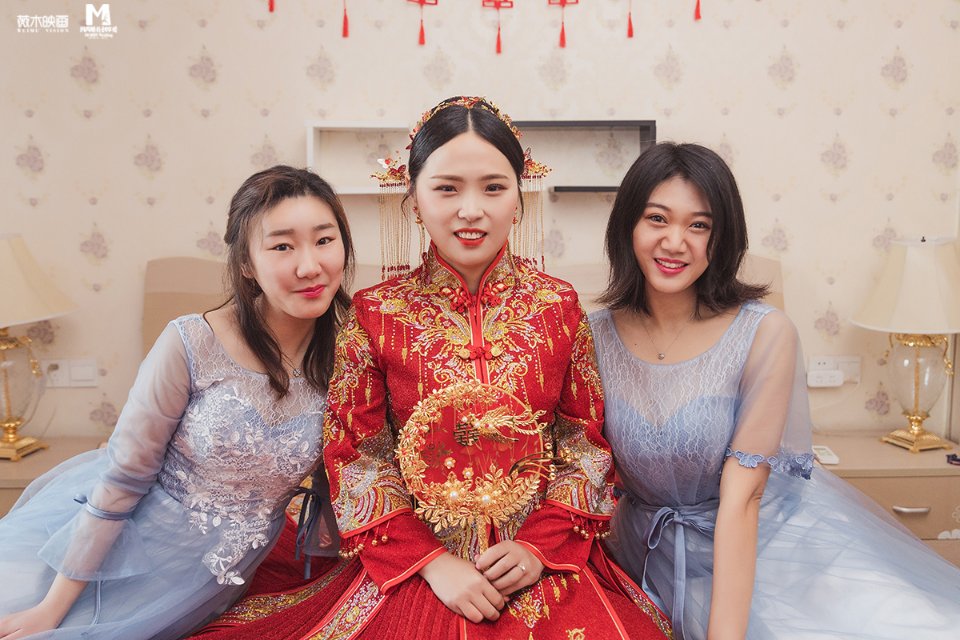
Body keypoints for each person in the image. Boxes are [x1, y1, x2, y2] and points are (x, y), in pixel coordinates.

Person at [191, 96, 671, 640]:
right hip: (417, 566)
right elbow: (357, 458)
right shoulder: (375, 315)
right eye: (447, 188)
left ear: (519, 197)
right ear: (414, 198)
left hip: (541, 561)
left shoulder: (558, 308)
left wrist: (538, 548)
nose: (471, 210)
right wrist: (432, 563)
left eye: (494, 187)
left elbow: (585, 445)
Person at [590, 142, 960, 640]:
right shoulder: (590, 337)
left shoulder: (764, 333)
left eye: (699, 225)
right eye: (657, 219)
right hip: (641, 554)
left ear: (722, 238)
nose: (675, 242)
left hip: (761, 547)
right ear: (628, 226)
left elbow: (744, 498)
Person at [0, 165, 353, 640]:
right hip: (118, 546)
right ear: (246, 263)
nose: (309, 266)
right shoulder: (190, 342)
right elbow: (124, 478)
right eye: (282, 246)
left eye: (324, 240)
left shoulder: (355, 351)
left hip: (207, 579)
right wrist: (51, 609)